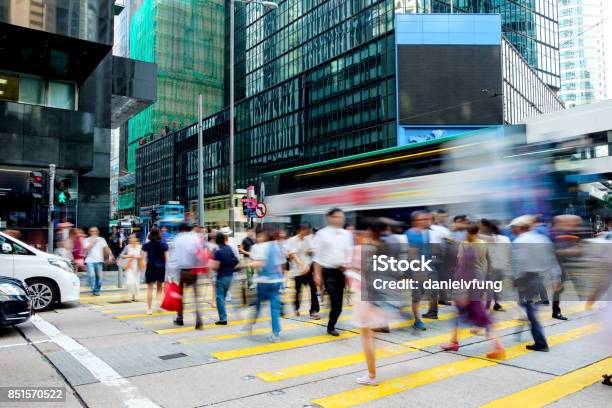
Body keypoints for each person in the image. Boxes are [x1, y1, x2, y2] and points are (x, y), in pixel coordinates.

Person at [441, 222, 506, 359]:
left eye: (468, 233)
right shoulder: (483, 243)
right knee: (462, 315)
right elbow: (490, 262)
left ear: (471, 233)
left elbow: (462, 267)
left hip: (469, 284)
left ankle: (498, 347)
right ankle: (454, 341)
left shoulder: (465, 246)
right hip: (479, 279)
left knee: (482, 318)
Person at [511, 215, 562, 352]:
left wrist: (515, 280)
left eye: (513, 227)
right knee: (529, 308)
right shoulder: (542, 239)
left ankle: (541, 342)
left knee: (530, 310)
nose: (512, 230)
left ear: (519, 228)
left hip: (526, 280)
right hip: (539, 279)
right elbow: (552, 260)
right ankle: (526, 333)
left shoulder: (519, 241)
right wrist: (556, 278)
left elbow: (518, 263)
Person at [313, 208, 354, 336]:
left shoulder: (347, 235)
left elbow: (349, 254)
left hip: (341, 272)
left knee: (339, 305)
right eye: (336, 217)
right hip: (328, 272)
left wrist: (349, 271)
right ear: (329, 218)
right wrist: (317, 275)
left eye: (341, 217)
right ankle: (330, 327)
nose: (339, 219)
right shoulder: (322, 234)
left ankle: (332, 323)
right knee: (335, 298)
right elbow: (317, 257)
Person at [246, 227, 286, 342]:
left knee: (259, 303)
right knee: (274, 307)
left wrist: (245, 265)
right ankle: (276, 333)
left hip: (264, 281)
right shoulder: (276, 246)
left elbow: (258, 263)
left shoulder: (257, 247)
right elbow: (280, 265)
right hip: (276, 281)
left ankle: (251, 323)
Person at [405, 211, 434, 328]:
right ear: (414, 222)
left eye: (425, 219)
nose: (424, 221)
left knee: (421, 294)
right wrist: (419, 270)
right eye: (421, 220)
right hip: (417, 269)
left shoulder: (426, 232)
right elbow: (412, 253)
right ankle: (417, 320)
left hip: (426, 266)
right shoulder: (411, 234)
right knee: (417, 295)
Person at [171, 224, 202, 329]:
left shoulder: (177, 239)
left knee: (180, 296)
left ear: (181, 230)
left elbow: (173, 258)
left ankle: (180, 318)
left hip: (182, 272)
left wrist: (172, 274)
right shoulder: (195, 238)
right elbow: (200, 254)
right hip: (194, 270)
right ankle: (198, 319)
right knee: (196, 296)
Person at [288, 223, 320, 319]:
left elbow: (311, 249)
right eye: (306, 230)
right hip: (298, 270)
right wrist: (302, 265)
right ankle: (296, 308)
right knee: (298, 291)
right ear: (300, 230)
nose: (308, 232)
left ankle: (313, 311)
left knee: (313, 289)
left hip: (308, 268)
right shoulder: (292, 240)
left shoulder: (308, 239)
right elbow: (294, 255)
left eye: (308, 230)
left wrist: (312, 250)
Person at [479, 219, 511, 312]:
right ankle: (495, 304)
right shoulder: (506, 239)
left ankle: (485, 308)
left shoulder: (485, 239)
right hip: (501, 267)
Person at [210, 232, 239, 325]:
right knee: (223, 296)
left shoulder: (218, 251)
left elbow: (215, 267)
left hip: (221, 276)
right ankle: (226, 315)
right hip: (230, 276)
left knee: (220, 298)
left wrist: (210, 265)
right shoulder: (229, 248)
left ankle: (223, 318)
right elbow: (235, 260)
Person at [142, 227, 169, 314]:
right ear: (159, 234)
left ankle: (149, 309)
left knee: (150, 288)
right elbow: (167, 258)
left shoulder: (147, 245)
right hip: (161, 268)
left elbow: (143, 257)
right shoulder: (164, 245)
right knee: (159, 288)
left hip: (150, 267)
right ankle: (158, 305)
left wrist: (143, 264)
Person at [83, 227, 113, 295]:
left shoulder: (102, 239)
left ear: (97, 232)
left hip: (99, 260)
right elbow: (86, 249)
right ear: (89, 232)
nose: (93, 232)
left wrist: (110, 256)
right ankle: (93, 289)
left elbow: (106, 248)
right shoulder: (86, 240)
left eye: (95, 231)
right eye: (91, 231)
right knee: (92, 275)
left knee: (99, 277)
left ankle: (97, 290)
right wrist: (92, 242)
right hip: (89, 260)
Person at [120, 234, 144, 302]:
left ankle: (133, 297)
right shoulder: (127, 247)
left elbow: (143, 256)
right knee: (129, 281)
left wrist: (138, 257)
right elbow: (121, 255)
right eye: (129, 238)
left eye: (132, 238)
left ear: (136, 239)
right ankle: (128, 294)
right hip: (129, 266)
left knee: (136, 282)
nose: (130, 239)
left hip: (137, 267)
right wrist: (129, 256)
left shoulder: (140, 246)